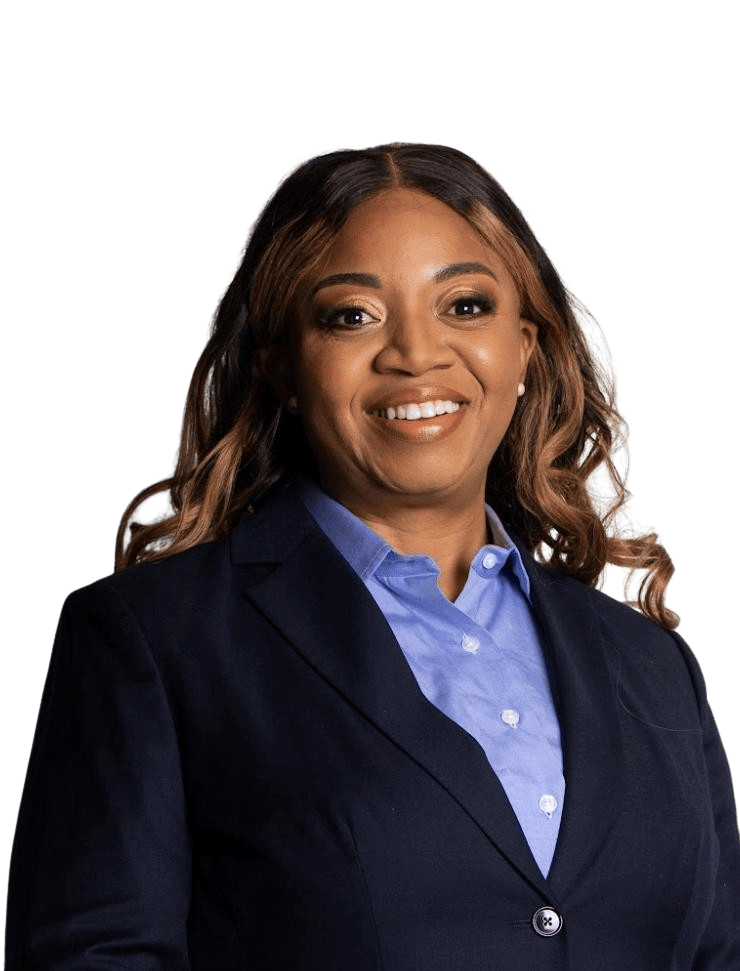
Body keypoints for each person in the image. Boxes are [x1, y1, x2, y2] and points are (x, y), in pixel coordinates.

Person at [6, 143, 739, 969]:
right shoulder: (154, 643)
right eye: (351, 315)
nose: (416, 353)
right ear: (284, 366)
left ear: (525, 349)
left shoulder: (658, 667)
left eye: (465, 305)